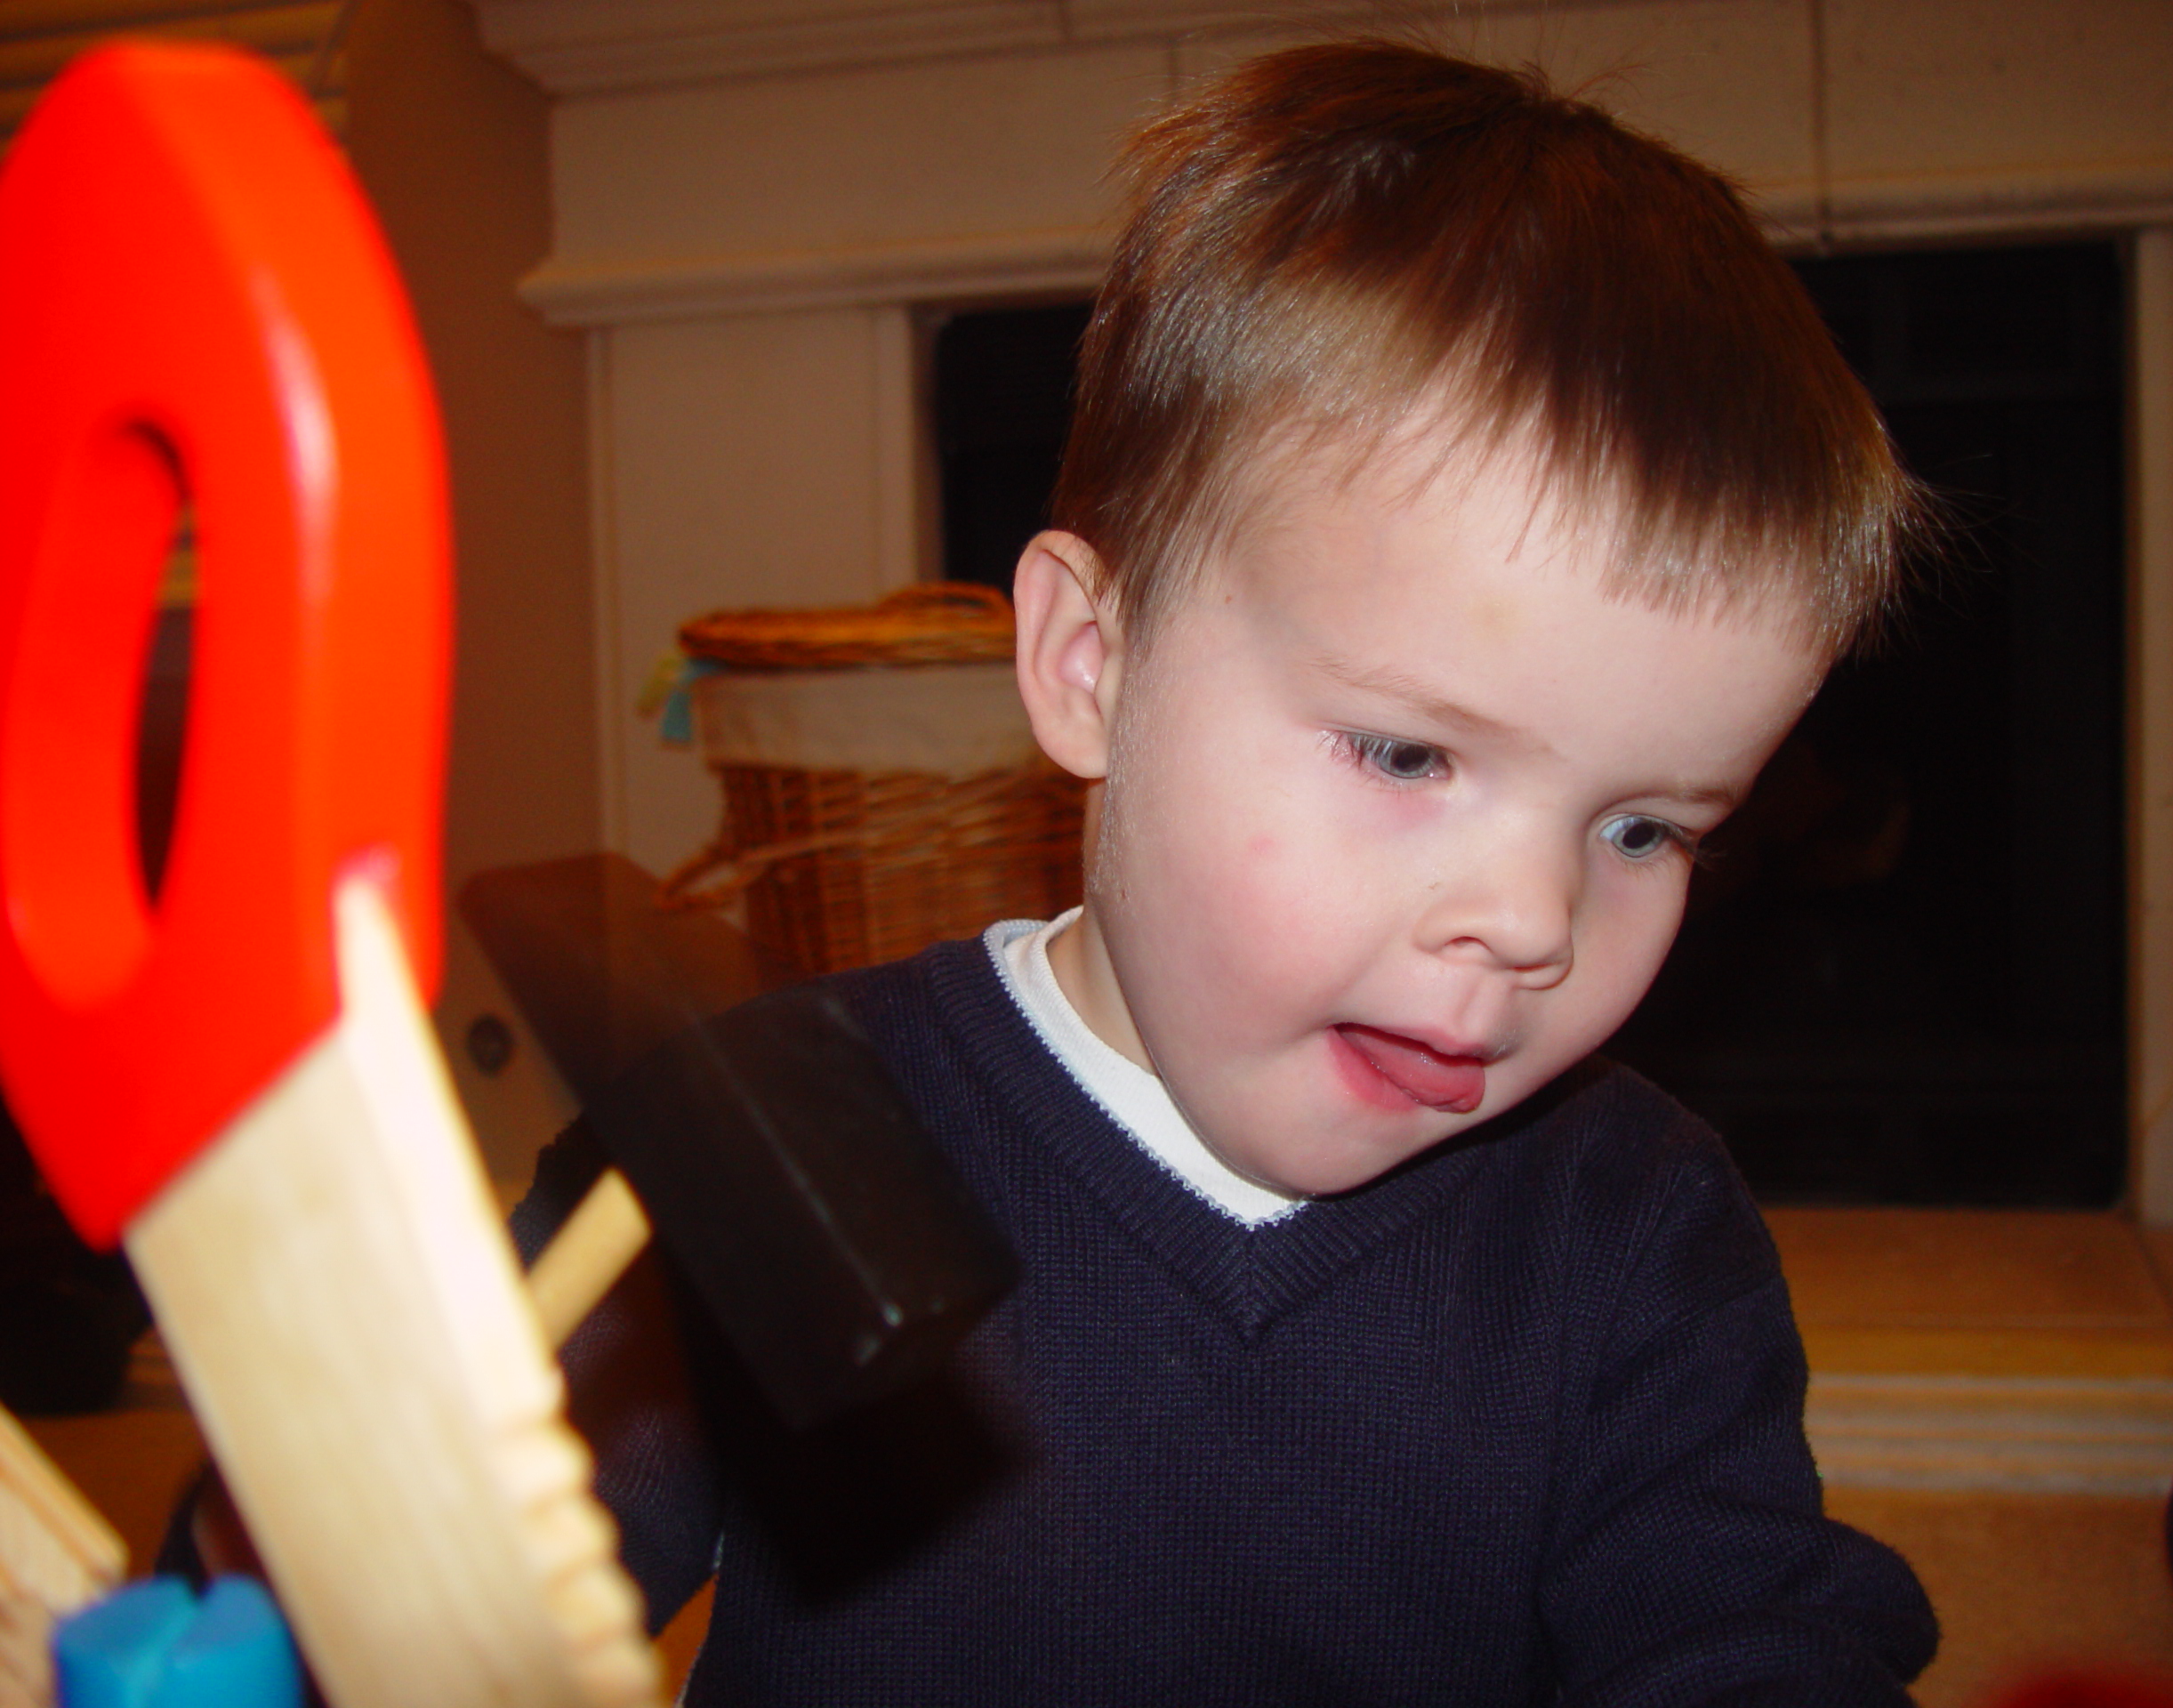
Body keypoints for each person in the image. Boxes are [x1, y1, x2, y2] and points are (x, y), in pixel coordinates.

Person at [522, 38, 1940, 1705]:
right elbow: (429, 1588)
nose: (1536, 923)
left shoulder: (1632, 1232)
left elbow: (1751, 1629)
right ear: (1091, 660)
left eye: (1645, 830)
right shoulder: (770, 1146)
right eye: (1410, 755)